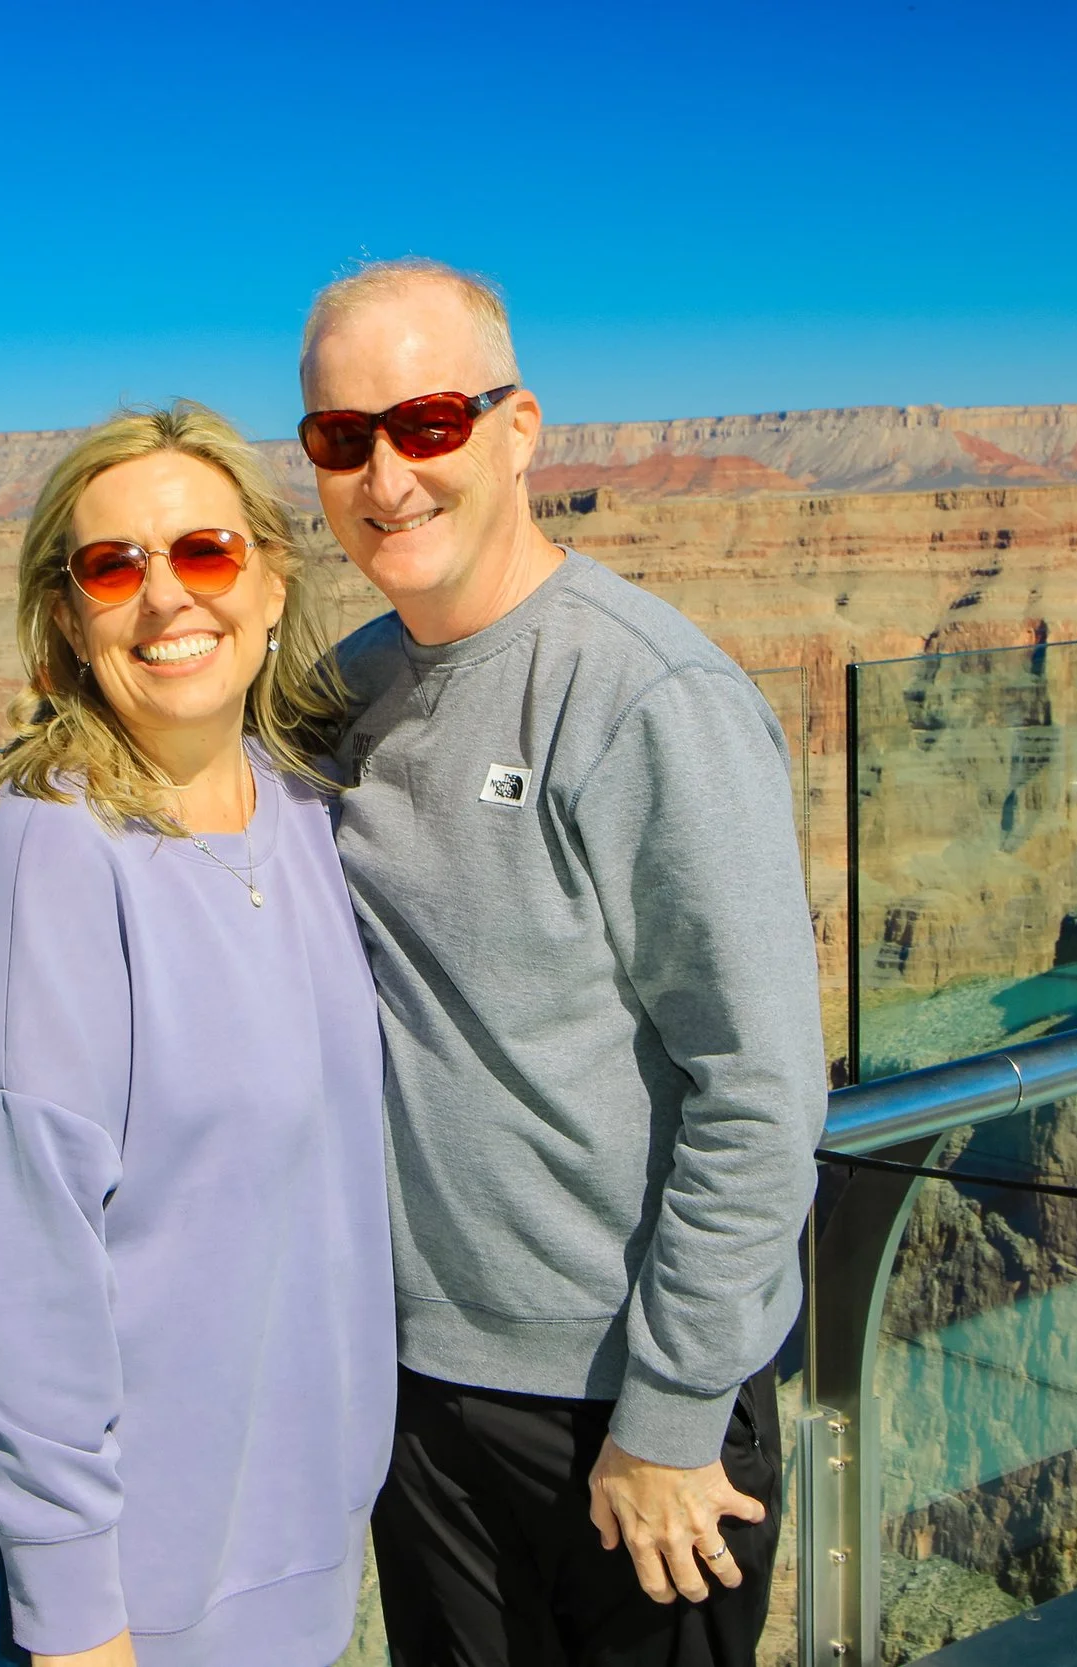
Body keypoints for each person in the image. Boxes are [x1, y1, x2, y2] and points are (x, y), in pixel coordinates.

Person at [303, 259, 825, 1666]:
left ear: (517, 428)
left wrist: (670, 1414)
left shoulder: (646, 695)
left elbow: (760, 1086)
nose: (387, 477)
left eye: (427, 422)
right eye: (342, 437)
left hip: (631, 1404)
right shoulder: (343, 693)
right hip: (419, 1395)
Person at [0, 404, 394, 1667]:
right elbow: (15, 1276)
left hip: (259, 1558)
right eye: (111, 566)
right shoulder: (44, 859)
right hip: (63, 1597)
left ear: (269, 580)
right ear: (65, 622)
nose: (164, 597)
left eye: (203, 550)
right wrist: (76, 1617)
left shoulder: (306, 818)